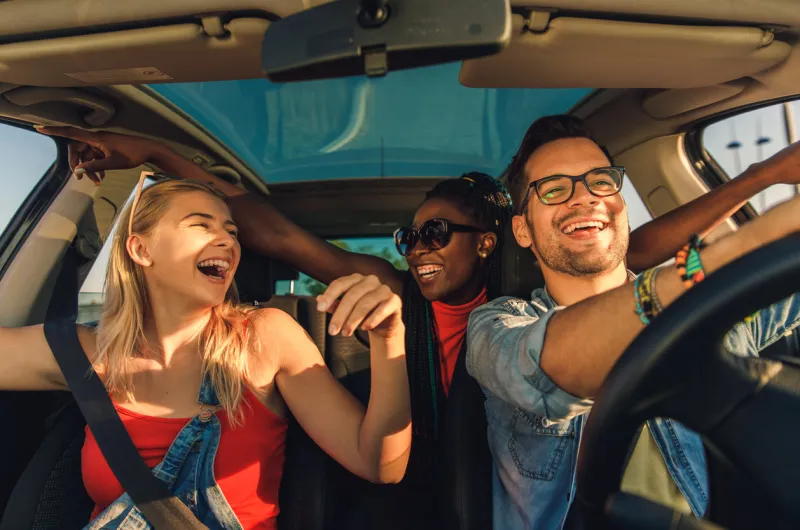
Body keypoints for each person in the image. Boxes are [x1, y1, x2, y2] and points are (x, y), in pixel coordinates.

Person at [33, 120, 797, 521]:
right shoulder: (398, 293)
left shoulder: (540, 291)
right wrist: (157, 158)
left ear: (492, 241)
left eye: (438, 234)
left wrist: (763, 183)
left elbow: (643, 257)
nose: (418, 249)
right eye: (409, 237)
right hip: (407, 475)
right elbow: (275, 233)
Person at [0, 175, 411, 529]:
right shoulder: (86, 350)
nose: (227, 241)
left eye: (232, 232)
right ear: (141, 250)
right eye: (201, 225)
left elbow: (380, 465)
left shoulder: (264, 337)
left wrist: (389, 339)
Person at [466, 114, 800, 529]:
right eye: (554, 189)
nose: (585, 198)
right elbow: (546, 368)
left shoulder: (712, 306)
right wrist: (746, 245)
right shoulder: (496, 325)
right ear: (522, 230)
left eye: (601, 181)